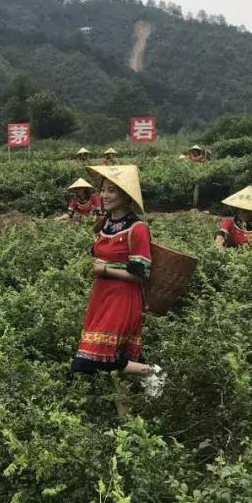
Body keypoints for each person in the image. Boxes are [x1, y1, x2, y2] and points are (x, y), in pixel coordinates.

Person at [70, 164, 164, 398]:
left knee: (92, 360)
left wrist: (104, 271)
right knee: (115, 363)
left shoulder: (137, 228)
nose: (104, 195)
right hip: (101, 297)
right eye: (103, 190)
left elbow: (141, 273)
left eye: (112, 190)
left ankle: (152, 371)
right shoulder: (105, 224)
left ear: (125, 195)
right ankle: (126, 419)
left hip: (123, 298)